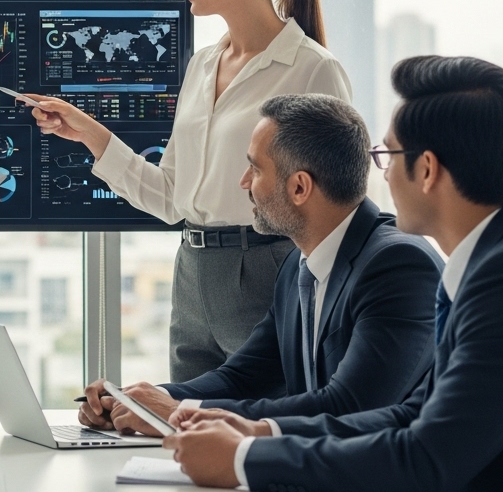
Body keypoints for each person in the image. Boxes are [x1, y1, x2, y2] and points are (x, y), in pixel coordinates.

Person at [162, 56, 503, 492]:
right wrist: (262, 434)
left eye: (386, 156)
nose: (376, 175)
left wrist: (242, 461)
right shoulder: (502, 260)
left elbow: (427, 459)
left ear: (426, 169)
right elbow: (414, 415)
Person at [29, 0, 353, 381]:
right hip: (191, 271)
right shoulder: (203, 66)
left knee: (258, 431)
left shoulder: (312, 69)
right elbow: (171, 199)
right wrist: (90, 135)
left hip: (267, 270)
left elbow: (340, 209)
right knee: (185, 431)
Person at [79, 94, 441, 434]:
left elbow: (351, 406)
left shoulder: (398, 265)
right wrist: (134, 400)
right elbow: (242, 377)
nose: (244, 182)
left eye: (255, 169)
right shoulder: (299, 265)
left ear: (300, 188)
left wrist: (176, 413)